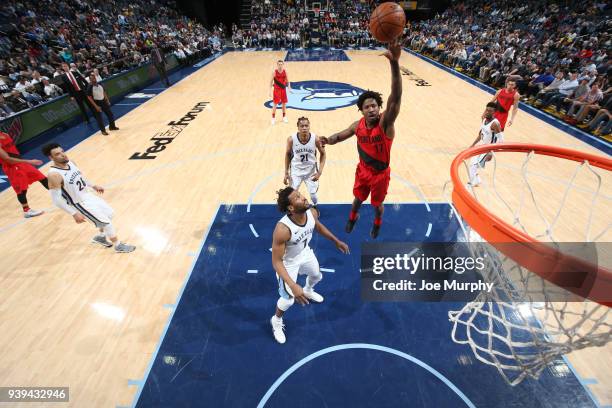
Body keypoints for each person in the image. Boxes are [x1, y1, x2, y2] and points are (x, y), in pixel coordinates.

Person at [320, 38, 403, 239]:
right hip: (363, 171)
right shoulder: (358, 125)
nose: (372, 109)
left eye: (374, 105)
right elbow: (340, 136)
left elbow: (396, 96)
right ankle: (353, 217)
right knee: (357, 199)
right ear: (362, 110)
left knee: (377, 206)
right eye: (367, 106)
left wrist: (394, 63)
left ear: (379, 107)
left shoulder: (385, 124)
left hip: (380, 175)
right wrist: (327, 140)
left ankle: (377, 223)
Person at [270, 186, 349, 344]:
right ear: (291, 208)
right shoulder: (283, 230)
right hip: (287, 263)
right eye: (298, 197)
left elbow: (317, 226)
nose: (304, 197)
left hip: (304, 253)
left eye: (301, 194)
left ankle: (308, 290)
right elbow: (276, 262)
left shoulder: (311, 212)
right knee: (288, 300)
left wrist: (336, 241)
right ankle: (276, 320)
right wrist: (293, 285)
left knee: (317, 275)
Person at [42, 143, 136, 253]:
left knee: (110, 214)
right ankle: (118, 246)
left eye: (62, 151)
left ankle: (100, 237)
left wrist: (93, 185)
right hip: (80, 203)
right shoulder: (54, 175)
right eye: (58, 154)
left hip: (88, 195)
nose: (63, 155)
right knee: (106, 223)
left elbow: (80, 177)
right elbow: (56, 200)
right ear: (51, 157)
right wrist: (74, 213)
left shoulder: (71, 162)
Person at [0, 131, 47, 218]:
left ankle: (62, 196)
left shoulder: (4, 134)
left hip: (21, 162)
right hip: (12, 167)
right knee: (21, 190)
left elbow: (12, 151)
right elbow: (7, 159)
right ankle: (27, 211)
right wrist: (29, 161)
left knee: (43, 178)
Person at [284, 117, 326, 213]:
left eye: (306, 126)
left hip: (311, 171)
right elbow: (287, 155)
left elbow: (323, 154)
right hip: (296, 171)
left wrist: (319, 172)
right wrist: (286, 172)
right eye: (302, 126)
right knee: (292, 194)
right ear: (298, 127)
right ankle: (293, 211)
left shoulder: (315, 139)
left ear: (309, 126)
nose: (304, 128)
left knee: (313, 195)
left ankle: (315, 206)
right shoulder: (291, 139)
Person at [468, 102, 504, 187]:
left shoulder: (495, 124)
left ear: (494, 112)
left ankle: (469, 184)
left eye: (490, 111)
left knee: (474, 165)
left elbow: (500, 140)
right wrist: (472, 145)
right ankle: (476, 180)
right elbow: (481, 134)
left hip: (487, 149)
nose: (487, 112)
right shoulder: (484, 120)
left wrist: (491, 152)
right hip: (481, 146)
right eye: (487, 110)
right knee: (472, 163)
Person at [270, 60, 290, 125]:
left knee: (284, 104)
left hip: (283, 90)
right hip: (276, 90)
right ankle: (273, 118)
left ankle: (284, 117)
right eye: (279, 64)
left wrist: (289, 87)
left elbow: (288, 80)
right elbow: (270, 82)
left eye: (281, 64)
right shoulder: (274, 72)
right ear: (277, 65)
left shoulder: (285, 71)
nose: (280, 65)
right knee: (275, 104)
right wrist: (269, 91)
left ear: (283, 65)